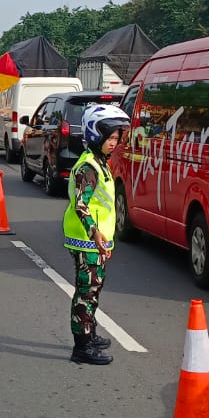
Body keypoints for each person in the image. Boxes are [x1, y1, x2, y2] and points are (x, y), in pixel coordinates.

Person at [62, 103, 130, 365]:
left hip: (97, 240)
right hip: (87, 239)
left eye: (116, 138)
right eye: (109, 137)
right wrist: (94, 232)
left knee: (93, 289)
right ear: (94, 135)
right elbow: (81, 204)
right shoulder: (88, 167)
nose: (113, 143)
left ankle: (89, 335)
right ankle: (82, 346)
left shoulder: (100, 164)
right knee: (86, 292)